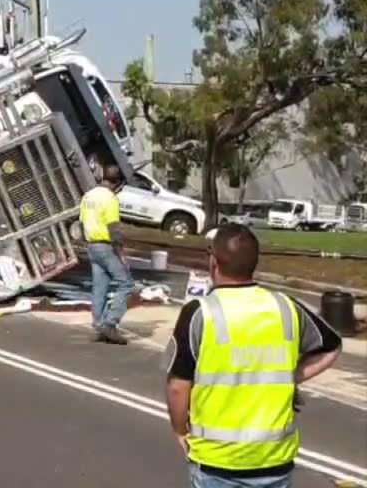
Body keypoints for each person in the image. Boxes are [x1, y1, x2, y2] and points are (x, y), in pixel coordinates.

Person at [164, 224, 342, 488]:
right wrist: (291, 376)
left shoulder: (200, 312)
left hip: (218, 462)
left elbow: (178, 386)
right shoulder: (285, 306)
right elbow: (332, 346)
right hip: (274, 460)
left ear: (214, 262)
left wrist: (180, 430)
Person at [80, 163, 134, 344]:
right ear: (116, 183)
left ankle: (99, 325)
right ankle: (110, 324)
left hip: (92, 246)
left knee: (99, 288)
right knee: (126, 284)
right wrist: (121, 255)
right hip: (105, 247)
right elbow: (114, 229)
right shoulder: (110, 198)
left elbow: (81, 223)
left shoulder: (88, 196)